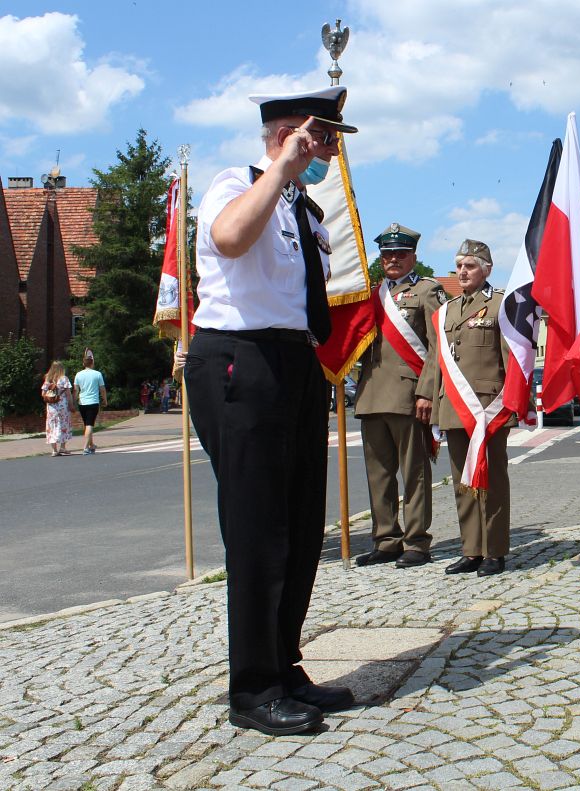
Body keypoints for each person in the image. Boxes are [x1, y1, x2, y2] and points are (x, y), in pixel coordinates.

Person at [182, 86, 358, 737]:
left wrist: (292, 181)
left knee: (301, 524)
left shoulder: (302, 206)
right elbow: (229, 238)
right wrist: (281, 167)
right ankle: (252, 687)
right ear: (287, 134)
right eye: (322, 138)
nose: (330, 152)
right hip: (239, 357)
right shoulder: (238, 181)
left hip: (293, 360)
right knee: (258, 532)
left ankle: (284, 664)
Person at [419, 240, 515, 577]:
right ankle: (471, 549)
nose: (462, 271)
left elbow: (511, 357)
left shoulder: (501, 304)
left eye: (470, 265)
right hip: (453, 405)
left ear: (487, 269)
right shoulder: (445, 311)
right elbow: (435, 360)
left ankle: (495, 551)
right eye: (459, 265)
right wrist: (427, 397)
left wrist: (515, 403)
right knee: (463, 481)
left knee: (492, 481)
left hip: (488, 407)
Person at [354, 223, 447, 569]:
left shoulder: (427, 291)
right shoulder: (369, 294)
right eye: (387, 254)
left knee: (414, 473)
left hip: (410, 395)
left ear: (413, 257)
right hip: (371, 394)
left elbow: (439, 348)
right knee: (378, 473)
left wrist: (426, 392)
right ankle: (386, 539)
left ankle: (417, 542)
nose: (393, 259)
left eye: (400, 254)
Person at [73, 349, 107, 455]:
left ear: (83, 363)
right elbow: (102, 389)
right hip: (93, 402)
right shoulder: (97, 374)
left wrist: (74, 402)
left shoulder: (78, 375)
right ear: (92, 363)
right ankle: (85, 447)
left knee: (87, 424)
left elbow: (76, 390)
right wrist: (105, 399)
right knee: (89, 424)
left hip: (82, 403)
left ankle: (91, 445)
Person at [41, 360, 73, 457]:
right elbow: (68, 394)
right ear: (61, 368)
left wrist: (51, 396)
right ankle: (63, 447)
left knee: (51, 426)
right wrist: (71, 404)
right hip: (62, 406)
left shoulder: (48, 379)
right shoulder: (64, 379)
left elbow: (43, 394)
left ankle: (54, 450)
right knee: (64, 424)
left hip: (51, 407)